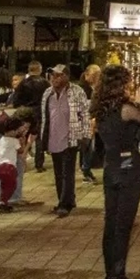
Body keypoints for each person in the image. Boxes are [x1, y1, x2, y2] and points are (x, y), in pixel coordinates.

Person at [91, 64, 140, 279]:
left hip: (111, 169)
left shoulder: (100, 110)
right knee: (123, 228)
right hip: (129, 169)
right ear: (120, 84)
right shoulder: (126, 109)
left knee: (111, 225)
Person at [39, 64, 89, 218]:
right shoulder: (47, 93)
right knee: (58, 172)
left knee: (67, 172)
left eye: (58, 75)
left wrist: (86, 134)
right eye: (53, 75)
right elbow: (44, 117)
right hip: (53, 137)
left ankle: (64, 203)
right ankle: (67, 199)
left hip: (71, 137)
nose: (54, 78)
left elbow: (84, 113)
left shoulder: (76, 92)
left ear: (66, 77)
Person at [11, 61, 50, 172]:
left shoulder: (23, 83)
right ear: (39, 69)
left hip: (26, 112)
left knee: (23, 137)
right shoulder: (45, 83)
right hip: (40, 112)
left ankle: (22, 163)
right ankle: (39, 164)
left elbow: (16, 100)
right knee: (39, 138)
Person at [0, 112, 32, 212]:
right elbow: (20, 151)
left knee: (4, 185)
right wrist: (23, 142)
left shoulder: (2, 139)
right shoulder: (14, 141)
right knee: (11, 186)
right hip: (9, 167)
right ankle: (2, 202)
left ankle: (3, 202)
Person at [78, 64, 101, 184]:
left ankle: (86, 169)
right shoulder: (82, 88)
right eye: (95, 75)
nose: (97, 77)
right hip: (85, 122)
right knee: (87, 147)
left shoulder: (93, 87)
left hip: (90, 121)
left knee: (89, 147)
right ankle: (85, 170)